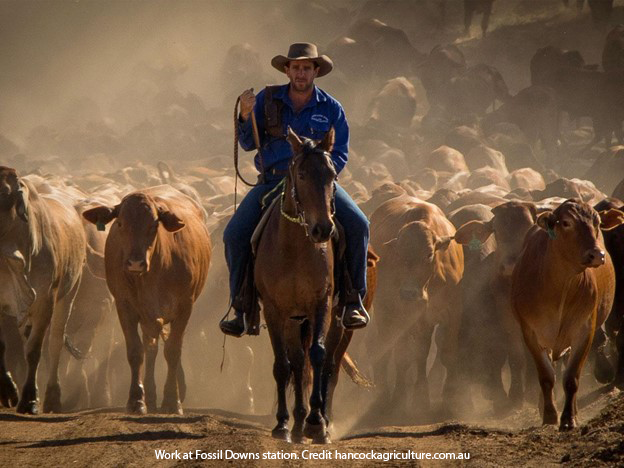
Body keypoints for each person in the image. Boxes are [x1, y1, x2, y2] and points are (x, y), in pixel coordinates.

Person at [220, 42, 370, 337]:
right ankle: (241, 306)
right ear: (287, 70)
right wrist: (244, 116)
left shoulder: (331, 108)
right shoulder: (267, 100)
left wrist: (320, 179)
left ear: (316, 71)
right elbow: (249, 143)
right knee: (234, 234)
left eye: (306, 68)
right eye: (296, 67)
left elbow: (339, 153)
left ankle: (353, 299)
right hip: (274, 180)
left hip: (316, 184)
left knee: (360, 224)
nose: (301, 73)